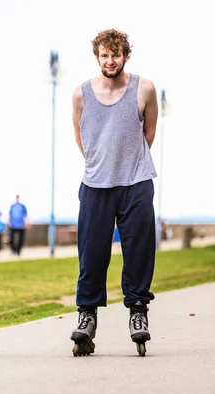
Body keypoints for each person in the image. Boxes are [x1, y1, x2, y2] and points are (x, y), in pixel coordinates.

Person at [69, 29, 158, 357]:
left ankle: (137, 311)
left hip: (136, 182)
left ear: (125, 56)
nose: (110, 60)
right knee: (91, 254)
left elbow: (149, 132)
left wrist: (127, 165)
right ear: (97, 57)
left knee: (138, 250)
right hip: (95, 184)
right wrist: (101, 164)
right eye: (105, 55)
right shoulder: (81, 93)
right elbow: (81, 135)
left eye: (116, 55)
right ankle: (87, 315)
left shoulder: (144, 88)